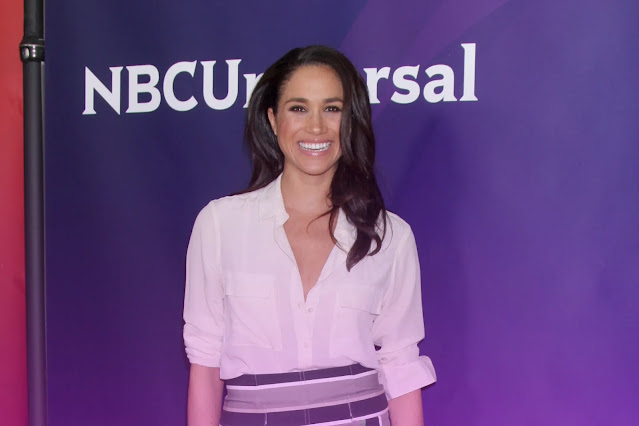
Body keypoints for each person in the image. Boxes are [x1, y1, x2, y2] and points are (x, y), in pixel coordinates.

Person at [183, 45, 436, 426]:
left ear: (350, 121)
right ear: (272, 119)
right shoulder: (220, 225)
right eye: (298, 108)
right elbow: (205, 358)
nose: (316, 127)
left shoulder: (390, 237)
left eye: (332, 109)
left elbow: (400, 363)